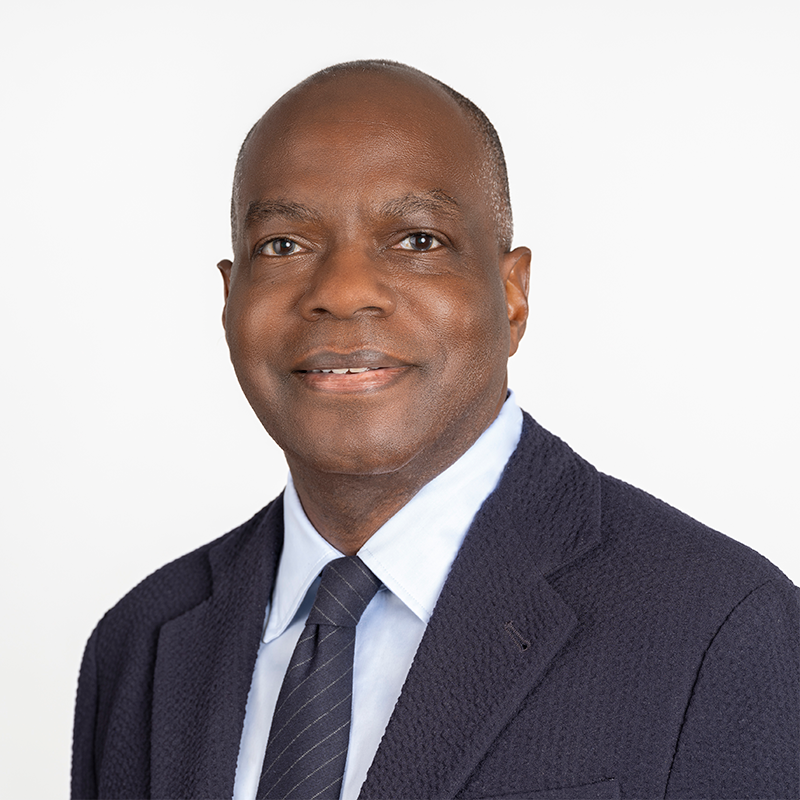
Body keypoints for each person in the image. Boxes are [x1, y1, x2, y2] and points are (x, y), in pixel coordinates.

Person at [72, 60, 800, 800]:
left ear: (512, 296)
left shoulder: (720, 628)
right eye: (285, 246)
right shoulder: (140, 646)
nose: (343, 291)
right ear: (231, 301)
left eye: (417, 240)